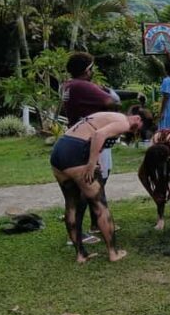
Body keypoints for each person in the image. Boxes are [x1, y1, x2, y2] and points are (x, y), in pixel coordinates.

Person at [50, 112, 142, 262]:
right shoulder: (124, 122)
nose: (133, 131)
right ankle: (113, 253)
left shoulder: (106, 116)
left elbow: (93, 137)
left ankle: (81, 255)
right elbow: (98, 135)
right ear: (137, 118)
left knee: (71, 205)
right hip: (76, 152)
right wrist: (91, 164)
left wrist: (95, 159)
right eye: (136, 129)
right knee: (100, 205)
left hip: (59, 149)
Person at [62, 52, 120, 244]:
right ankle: (77, 234)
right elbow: (112, 102)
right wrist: (111, 93)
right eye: (91, 68)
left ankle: (97, 222)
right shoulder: (81, 86)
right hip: (90, 141)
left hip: (81, 138)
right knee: (87, 186)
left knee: (98, 182)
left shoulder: (69, 85)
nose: (93, 72)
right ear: (87, 70)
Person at [137, 129, 170, 230]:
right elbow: (142, 176)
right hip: (158, 151)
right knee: (161, 183)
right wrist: (153, 194)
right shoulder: (151, 155)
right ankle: (160, 219)